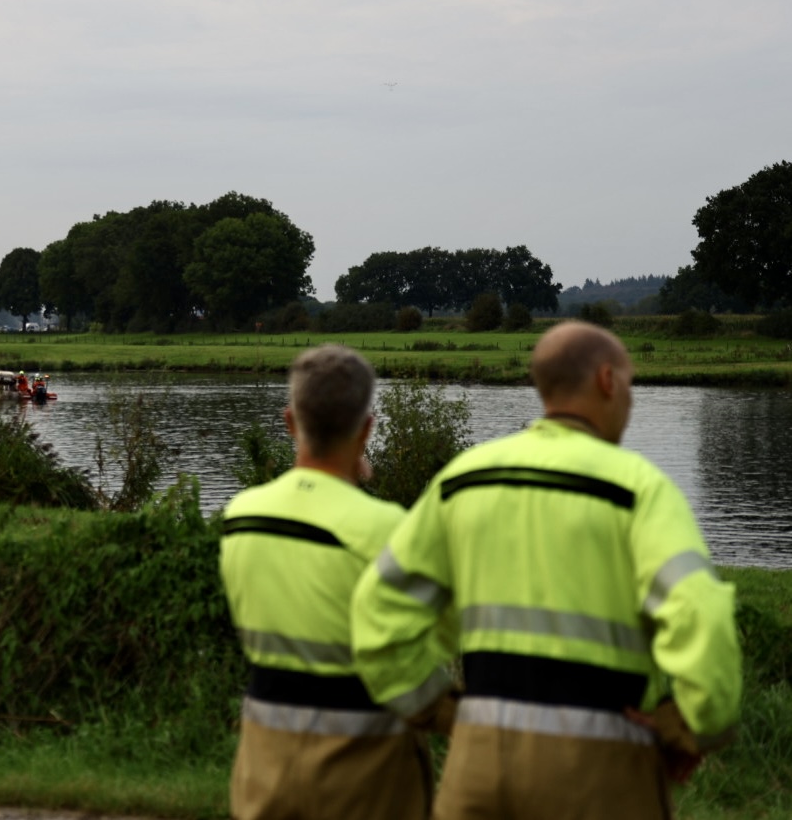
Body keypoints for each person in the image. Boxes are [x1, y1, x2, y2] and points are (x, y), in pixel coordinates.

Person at [351, 321, 742, 820]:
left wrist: (443, 711)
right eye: (630, 383)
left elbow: (378, 613)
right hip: (603, 768)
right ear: (607, 381)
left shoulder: (462, 481)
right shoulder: (639, 489)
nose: (631, 400)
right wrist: (689, 729)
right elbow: (701, 615)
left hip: (478, 766)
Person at [220, 344, 432, 820]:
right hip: (366, 773)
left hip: (263, 768)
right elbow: (412, 661)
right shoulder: (388, 528)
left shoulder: (242, 515)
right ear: (367, 428)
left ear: (290, 422)